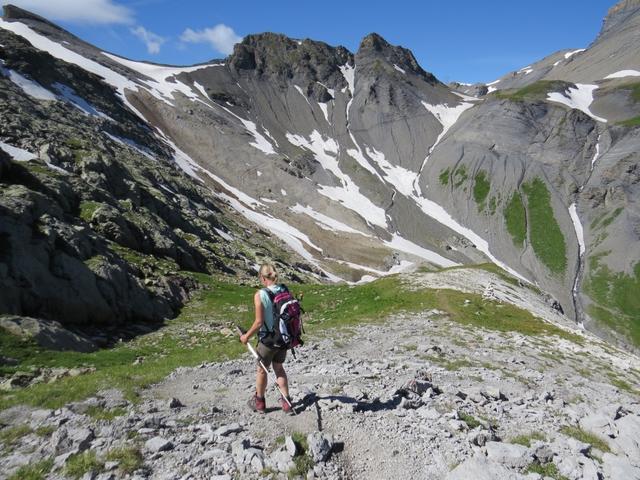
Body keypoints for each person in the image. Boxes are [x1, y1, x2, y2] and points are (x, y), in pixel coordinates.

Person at [239, 263, 292, 413]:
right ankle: (287, 402)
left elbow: (259, 322)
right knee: (279, 368)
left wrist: (246, 336)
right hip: (283, 338)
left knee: (262, 370)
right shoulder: (284, 289)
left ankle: (260, 403)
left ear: (262, 278)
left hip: (268, 340)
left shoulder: (260, 295)